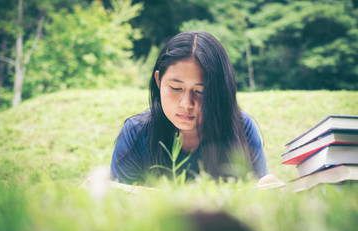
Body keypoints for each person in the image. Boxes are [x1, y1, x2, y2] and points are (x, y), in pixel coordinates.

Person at [110, 31, 278, 185]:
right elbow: (121, 207)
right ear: (158, 80)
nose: (186, 104)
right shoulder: (136, 133)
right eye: (176, 88)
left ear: (219, 91)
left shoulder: (241, 128)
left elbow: (256, 202)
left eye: (200, 91)